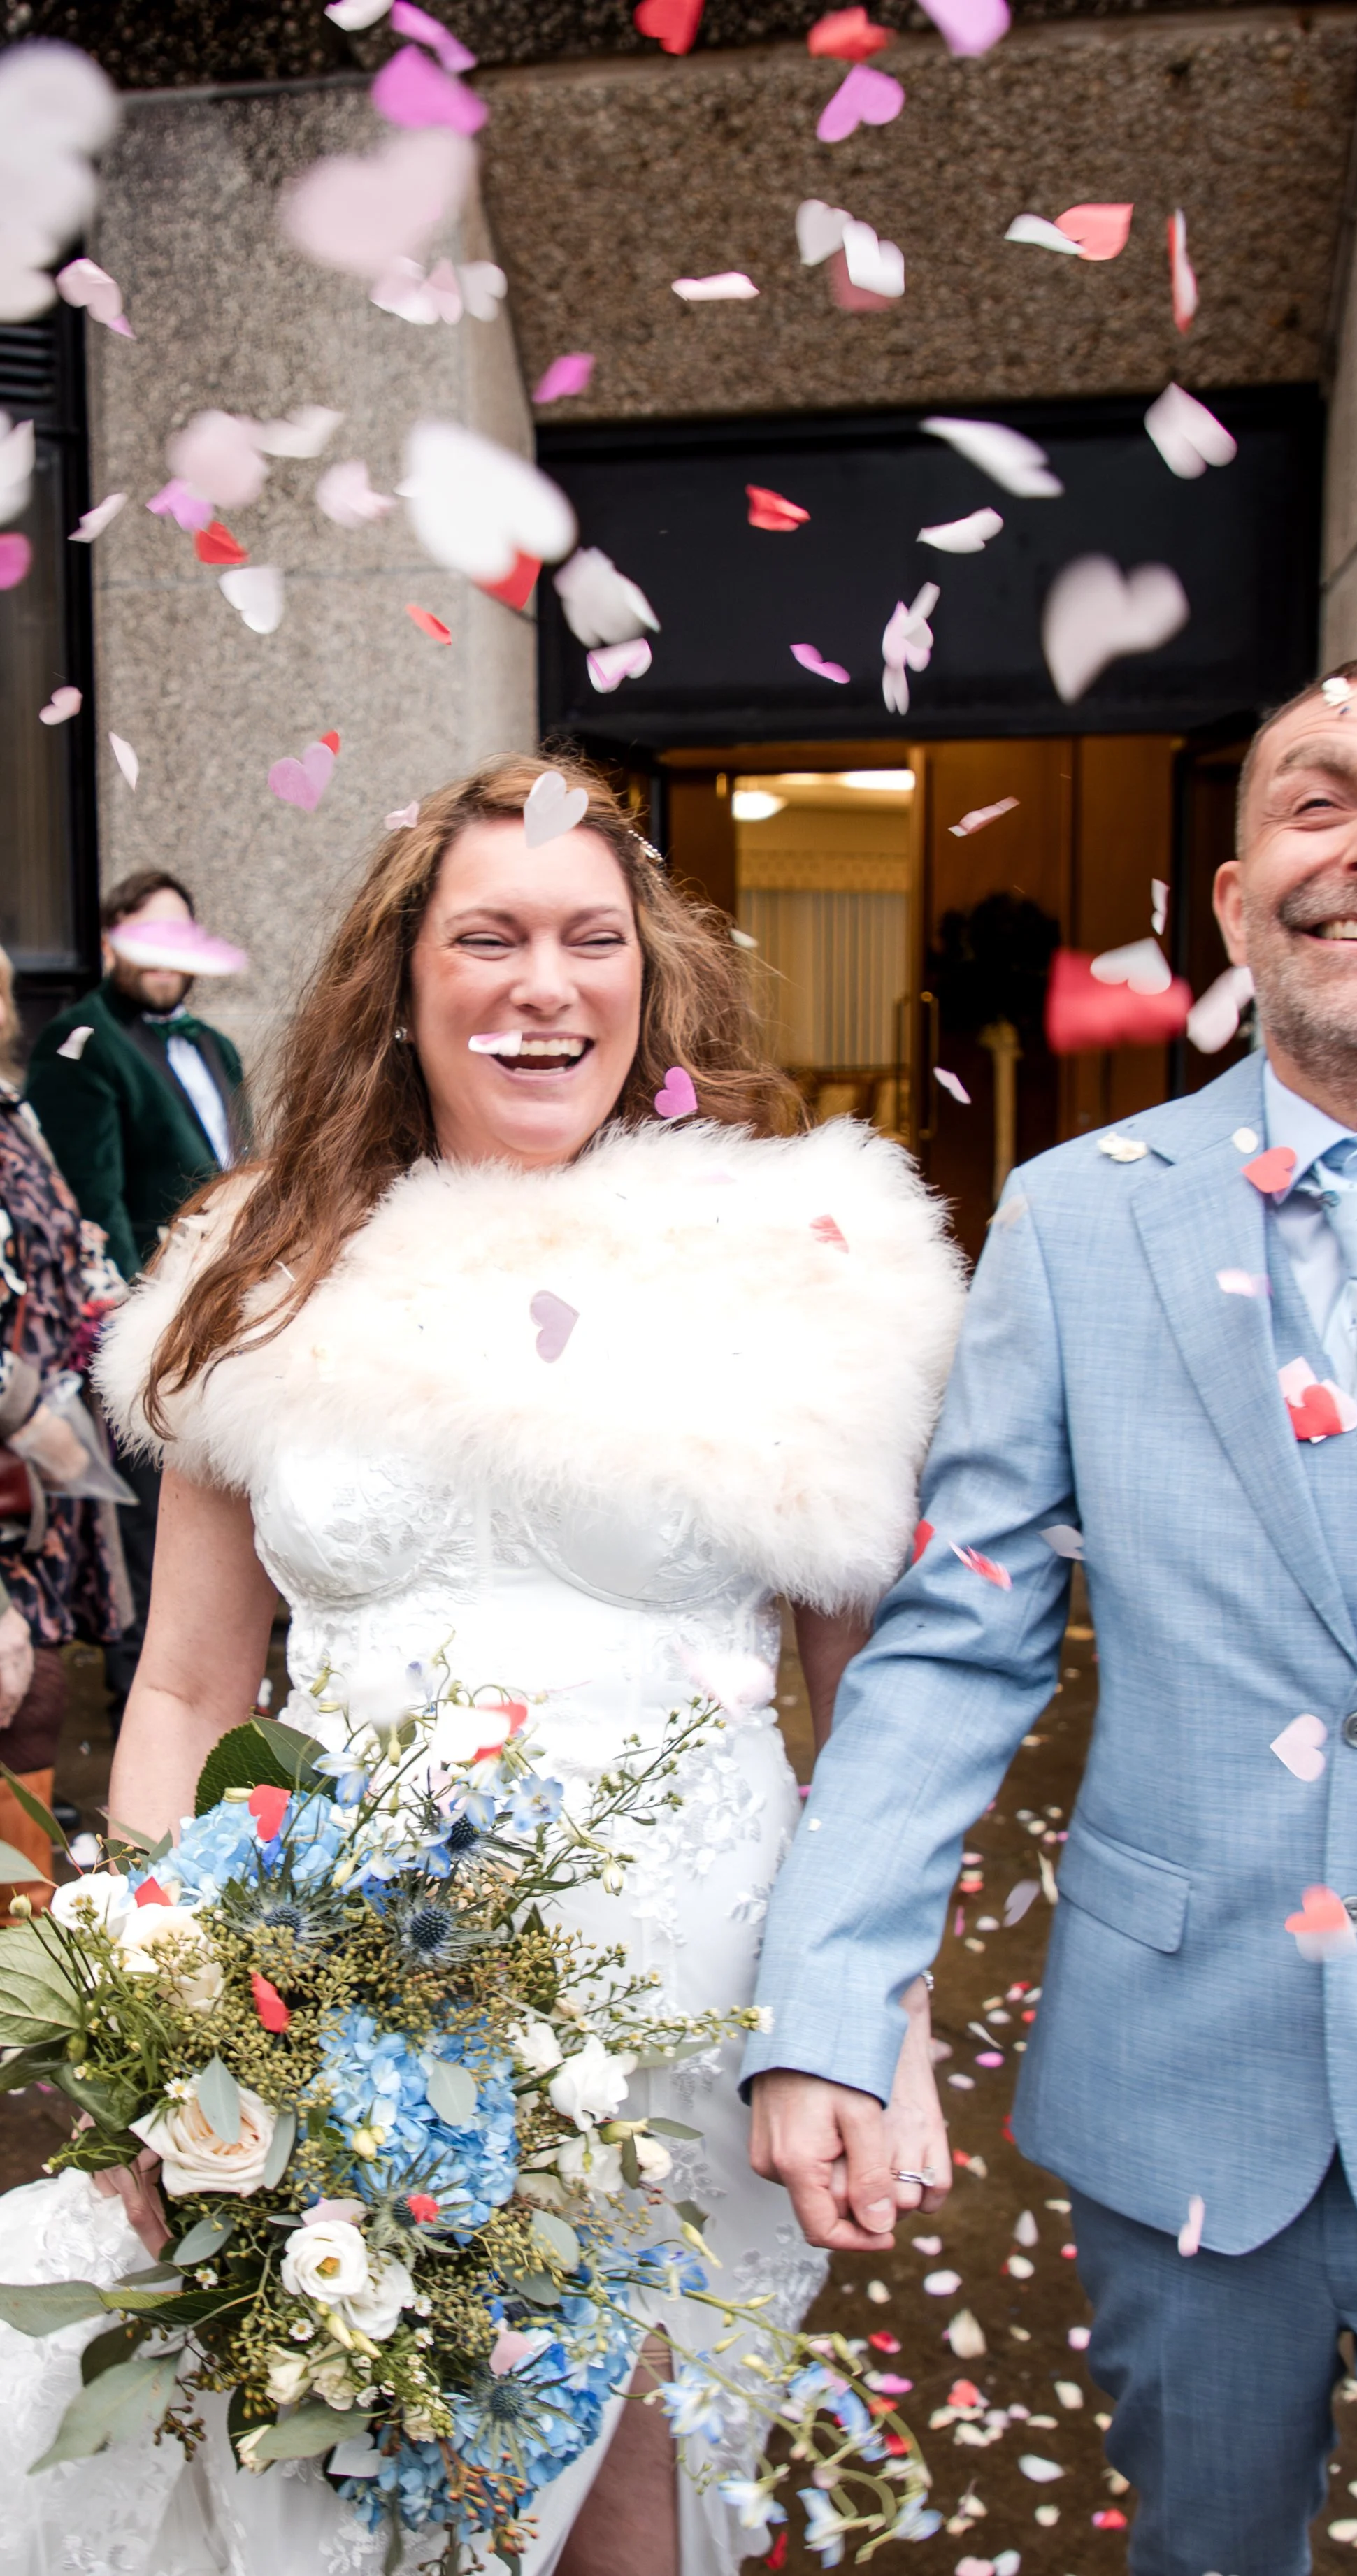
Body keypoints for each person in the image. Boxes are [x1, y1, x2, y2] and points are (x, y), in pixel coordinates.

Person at [747, 654, 1357, 2576]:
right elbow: (957, 1636)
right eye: (1321, 796)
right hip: (1185, 2087)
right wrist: (829, 1999)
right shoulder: (1073, 1215)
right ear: (1233, 897)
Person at [0, 754, 963, 2576]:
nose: (547, 982)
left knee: (633, 2521)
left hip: (695, 2019)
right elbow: (194, 1688)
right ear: (403, 976)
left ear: (649, 976)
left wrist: (881, 2015)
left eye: (593, 937)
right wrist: (158, 2030)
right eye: (492, 935)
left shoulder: (802, 1266)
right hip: (344, 2023)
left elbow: (883, 1709)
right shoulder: (262, 1268)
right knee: (348, 2502)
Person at [28, 868, 249, 1712]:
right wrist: (138, 1330)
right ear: (114, 941)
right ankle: (145, 1699)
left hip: (230, 1313)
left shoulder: (215, 1046)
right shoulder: (81, 1043)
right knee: (154, 1520)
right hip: (148, 1324)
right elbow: (96, 1201)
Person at [0, 945, 132, 1906]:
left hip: (42, 1473)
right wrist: (19, 1407)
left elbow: (56, 1241)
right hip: (18, 1458)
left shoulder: (16, 1113)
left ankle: (24, 1952)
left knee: (33, 1696)